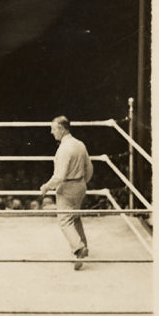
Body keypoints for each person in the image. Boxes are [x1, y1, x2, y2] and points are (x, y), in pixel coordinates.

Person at [40, 116, 93, 271]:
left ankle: (78, 248)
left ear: (62, 129)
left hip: (67, 186)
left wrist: (46, 187)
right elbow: (89, 167)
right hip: (80, 185)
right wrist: (82, 182)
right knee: (75, 216)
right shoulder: (80, 144)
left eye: (54, 128)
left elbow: (59, 177)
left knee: (64, 220)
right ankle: (84, 246)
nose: (51, 132)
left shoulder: (64, 149)